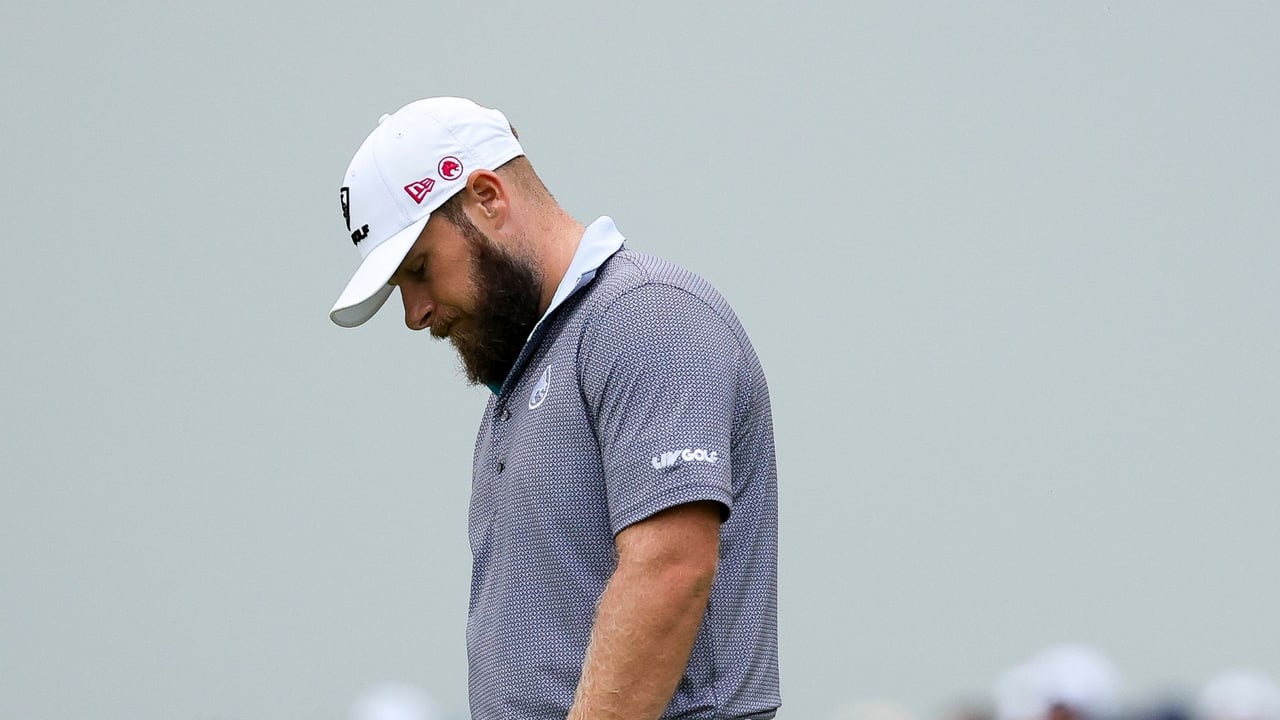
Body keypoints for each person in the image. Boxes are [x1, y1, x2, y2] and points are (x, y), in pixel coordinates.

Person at [325, 97, 780, 720]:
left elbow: (670, 568)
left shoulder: (647, 316)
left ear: (487, 196)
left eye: (420, 270)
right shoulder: (521, 388)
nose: (415, 314)